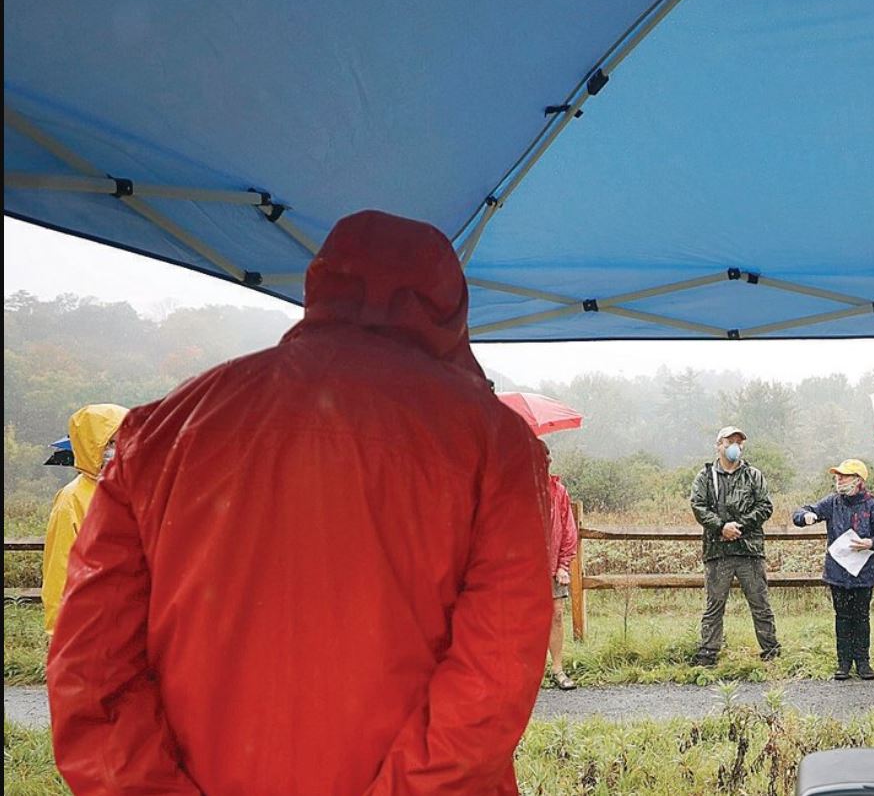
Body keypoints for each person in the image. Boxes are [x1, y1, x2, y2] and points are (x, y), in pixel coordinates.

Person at [46, 211, 554, 796]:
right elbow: (495, 676)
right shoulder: (494, 443)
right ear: (451, 308)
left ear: (321, 285)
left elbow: (91, 675)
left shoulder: (161, 431)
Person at [792, 459, 874, 680]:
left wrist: (871, 542)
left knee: (861, 617)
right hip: (837, 573)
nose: (839, 479)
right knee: (842, 617)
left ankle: (863, 663)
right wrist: (805, 516)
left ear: (858, 480)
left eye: (845, 475)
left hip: (864, 573)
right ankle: (843, 663)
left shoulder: (873, 504)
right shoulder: (832, 502)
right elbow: (801, 513)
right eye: (837, 475)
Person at [689, 426, 779, 666]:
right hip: (718, 552)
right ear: (718, 445)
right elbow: (698, 506)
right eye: (729, 441)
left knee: (760, 604)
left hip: (750, 551)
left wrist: (739, 526)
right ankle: (708, 654)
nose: (734, 446)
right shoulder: (705, 477)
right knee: (714, 605)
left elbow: (765, 506)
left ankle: (771, 652)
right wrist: (721, 527)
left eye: (739, 442)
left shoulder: (753, 475)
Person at [40, 403, 128, 634]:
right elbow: (59, 574)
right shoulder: (71, 500)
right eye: (111, 443)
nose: (120, 450)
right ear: (91, 446)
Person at [544, 448, 579, 690]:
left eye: (546, 459)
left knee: (556, 615)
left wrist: (564, 564)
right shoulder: (513, 489)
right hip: (523, 566)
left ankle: (557, 669)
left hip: (553, 564)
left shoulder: (558, 491)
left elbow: (568, 529)